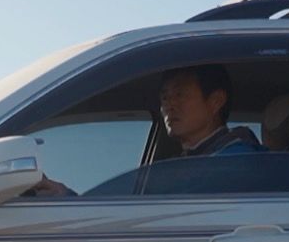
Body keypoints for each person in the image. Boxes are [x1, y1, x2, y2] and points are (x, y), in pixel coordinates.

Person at [32, 64, 263, 196]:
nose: (169, 105)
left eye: (180, 94)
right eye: (164, 97)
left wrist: (71, 202)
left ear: (215, 101)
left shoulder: (234, 162)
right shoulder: (196, 160)